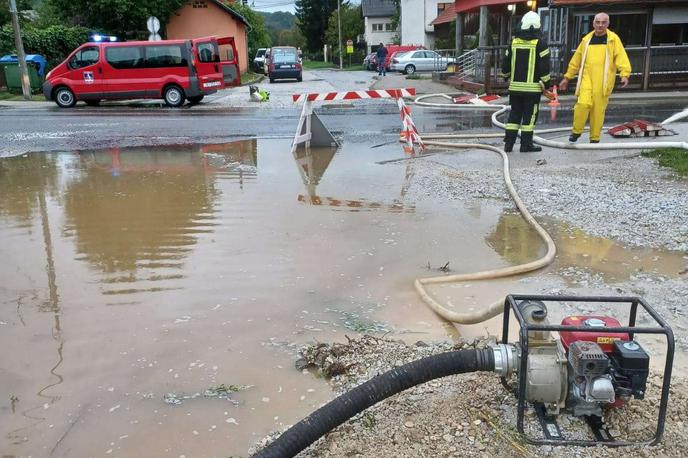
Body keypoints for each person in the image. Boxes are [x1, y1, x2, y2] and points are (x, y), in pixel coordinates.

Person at [559, 12, 631, 143]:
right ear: (593, 24)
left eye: (603, 22)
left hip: (603, 81)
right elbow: (576, 60)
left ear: (608, 24)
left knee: (598, 110)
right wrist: (567, 77)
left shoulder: (613, 40)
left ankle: (595, 138)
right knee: (582, 103)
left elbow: (621, 57)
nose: (600, 25)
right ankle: (576, 131)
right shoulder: (586, 40)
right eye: (597, 22)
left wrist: (624, 74)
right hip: (587, 79)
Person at [500, 11, 552, 152]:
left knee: (515, 114)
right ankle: (526, 145)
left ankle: (508, 144)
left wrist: (505, 75)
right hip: (532, 90)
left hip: (515, 89)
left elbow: (505, 64)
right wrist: (547, 84)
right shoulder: (540, 44)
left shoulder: (514, 43)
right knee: (529, 117)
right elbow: (544, 67)